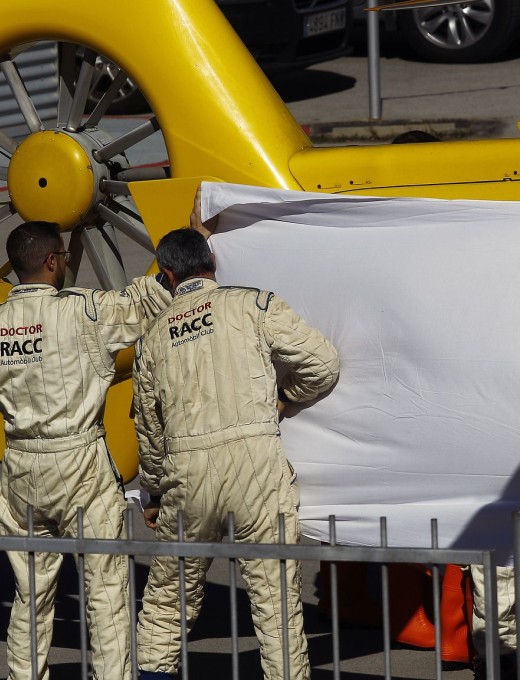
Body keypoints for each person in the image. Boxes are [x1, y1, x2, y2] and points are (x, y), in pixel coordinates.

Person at [132, 226, 340, 680]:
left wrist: (152, 493)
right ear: (213, 263)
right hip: (256, 465)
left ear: (167, 275)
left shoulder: (152, 340)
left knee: (168, 599)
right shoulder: (253, 304)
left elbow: (149, 429)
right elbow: (323, 365)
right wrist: (285, 399)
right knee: (276, 604)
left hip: (187, 472)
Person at [0, 220, 172, 679]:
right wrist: (191, 242)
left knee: (29, 591)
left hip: (19, 466)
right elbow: (142, 302)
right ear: (53, 261)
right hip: (79, 461)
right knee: (106, 584)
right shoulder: (81, 310)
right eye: (65, 257)